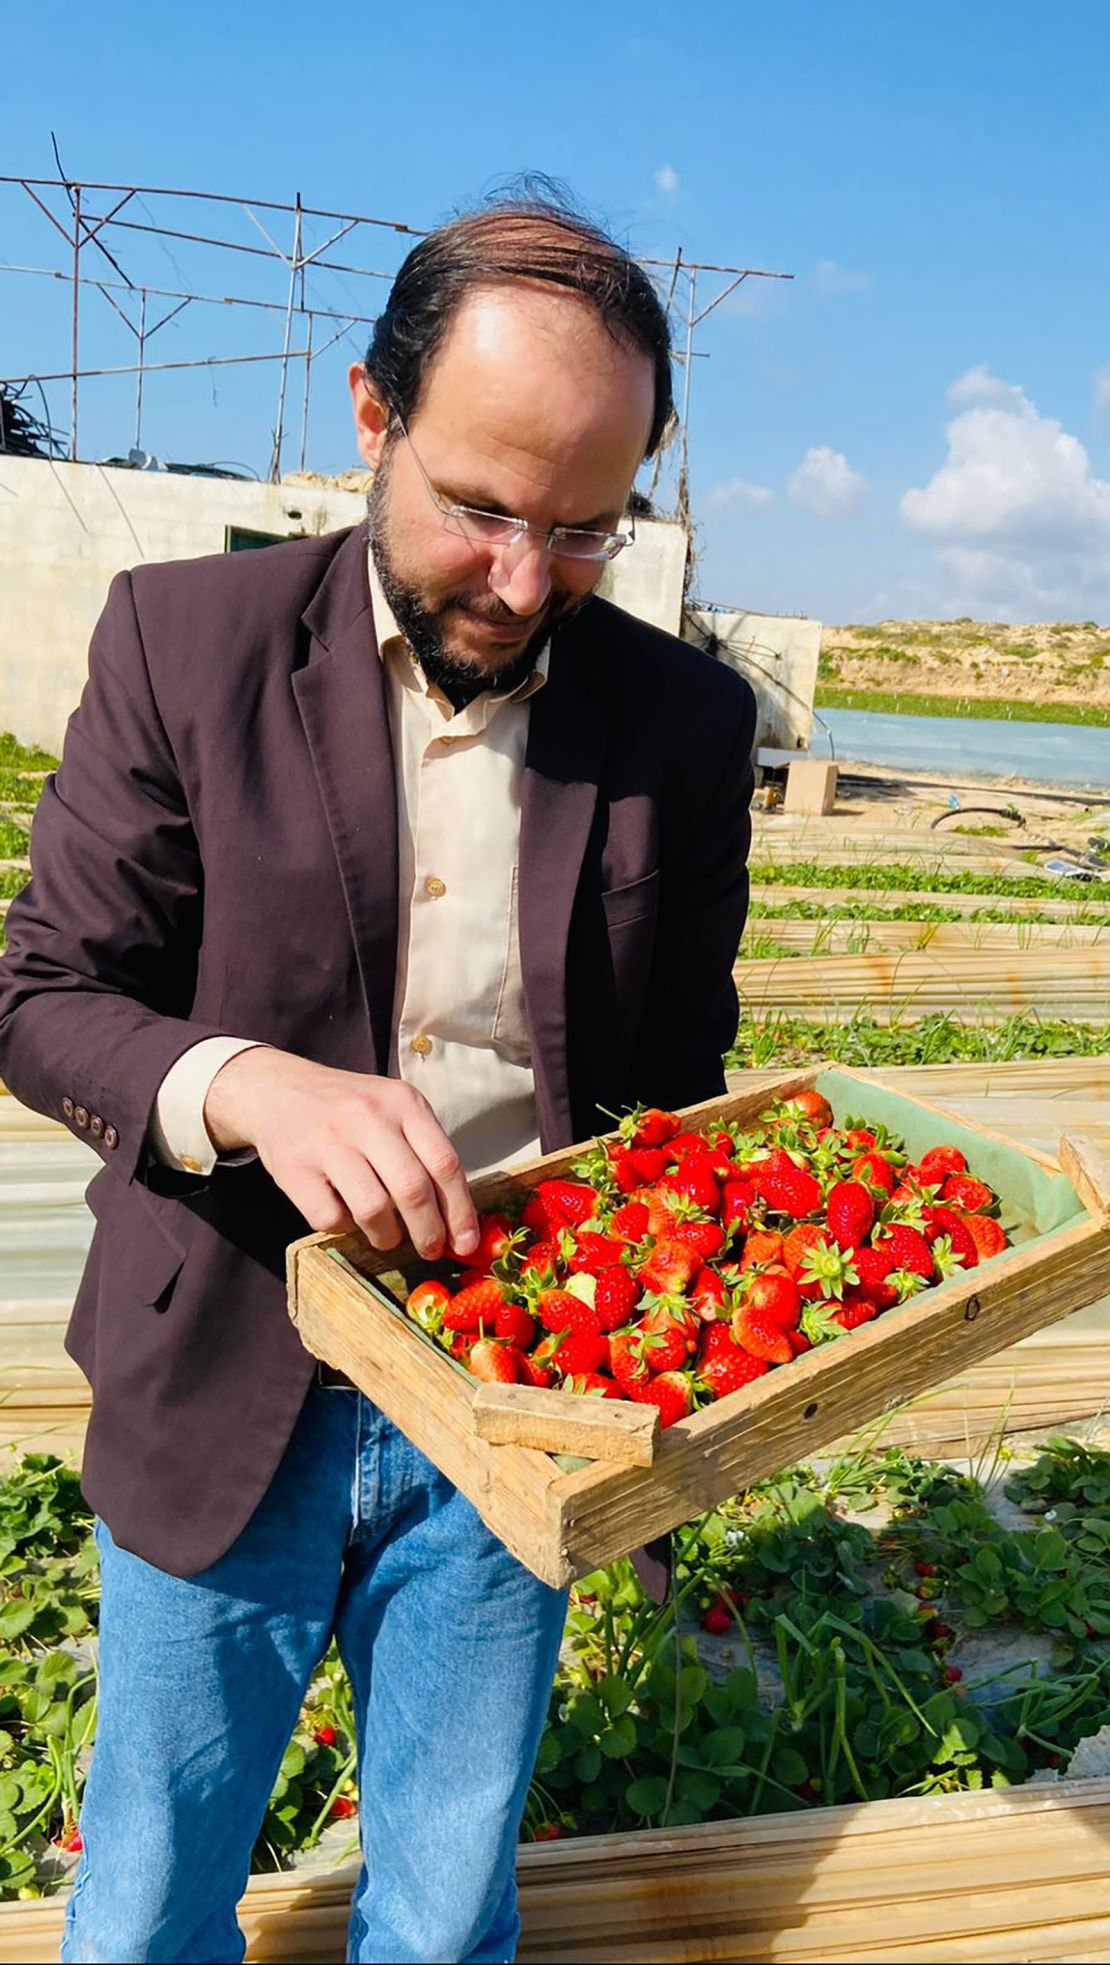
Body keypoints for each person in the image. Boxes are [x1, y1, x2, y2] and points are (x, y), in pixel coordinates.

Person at [0, 187, 756, 1964]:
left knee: (436, 1904)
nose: (519, 577)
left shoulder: (682, 723)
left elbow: (672, 1080)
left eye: (585, 530)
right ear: (372, 414)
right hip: (224, 1360)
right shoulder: (184, 646)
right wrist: (244, 1081)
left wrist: (709, 1340)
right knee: (150, 1902)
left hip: (513, 1402)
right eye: (478, 507)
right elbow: (42, 992)